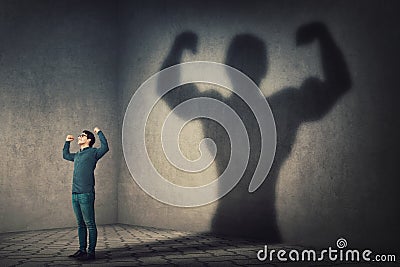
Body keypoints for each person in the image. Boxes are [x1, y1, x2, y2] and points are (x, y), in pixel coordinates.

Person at [63, 127, 109, 261]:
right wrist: (67, 142)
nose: (79, 137)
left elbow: (105, 147)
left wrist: (99, 132)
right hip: (75, 194)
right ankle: (82, 250)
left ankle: (91, 253)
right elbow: (65, 155)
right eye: (79, 135)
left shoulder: (94, 153)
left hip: (86, 194)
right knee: (80, 224)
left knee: (90, 224)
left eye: (82, 136)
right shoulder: (77, 155)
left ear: (89, 139)